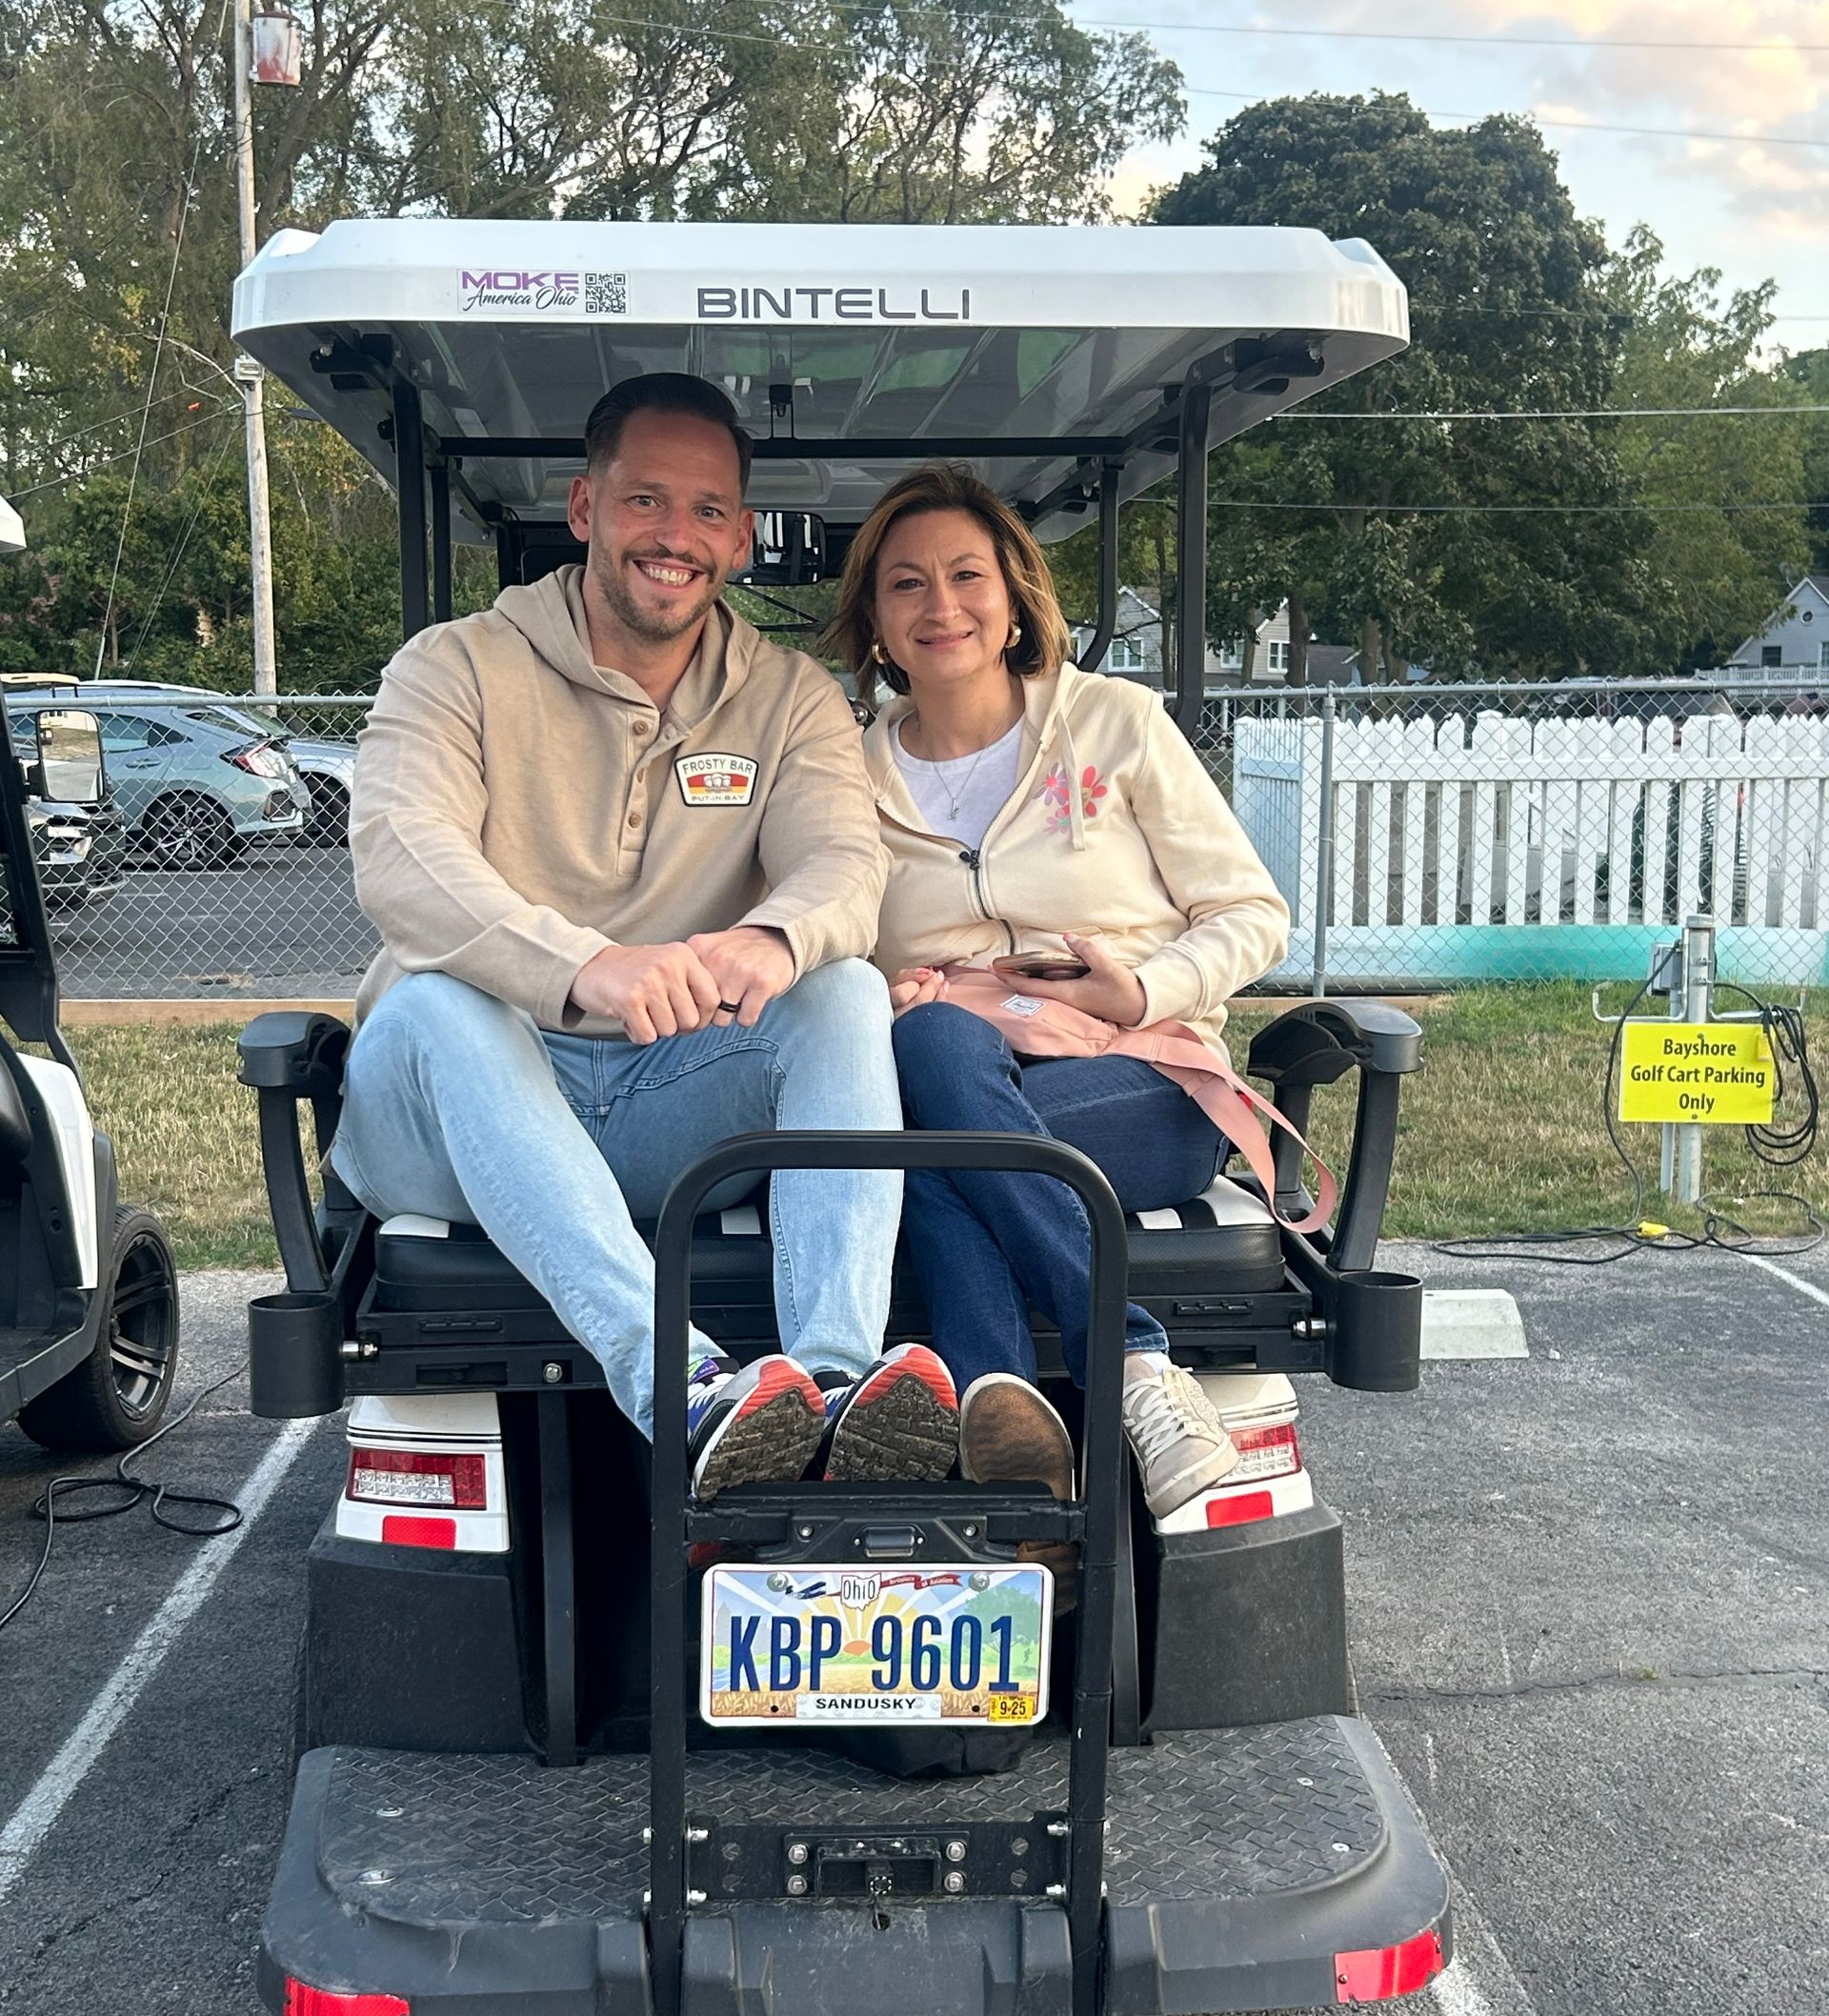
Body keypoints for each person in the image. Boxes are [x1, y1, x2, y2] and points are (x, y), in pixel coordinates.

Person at [332, 374, 958, 1498]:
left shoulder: (791, 698)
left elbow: (843, 866)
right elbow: (402, 859)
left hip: (665, 1092)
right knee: (438, 999)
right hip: (451, 1112)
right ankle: (678, 1385)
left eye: (710, 510)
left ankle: (829, 1394)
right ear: (584, 509)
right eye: (646, 502)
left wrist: (775, 938)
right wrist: (588, 967)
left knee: (845, 990)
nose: (678, 537)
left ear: (743, 535)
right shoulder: (453, 666)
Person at [825, 464, 1292, 1529]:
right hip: (961, 1067)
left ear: (1014, 594)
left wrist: (1143, 990)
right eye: (906, 585)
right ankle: (1114, 1381)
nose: (941, 605)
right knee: (935, 1054)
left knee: (935, 1161)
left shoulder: (1116, 725)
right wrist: (877, 988)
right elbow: (824, 934)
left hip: (1140, 1080)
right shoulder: (848, 775)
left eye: (965, 575)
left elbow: (1253, 914)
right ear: (876, 623)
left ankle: (1018, 1439)